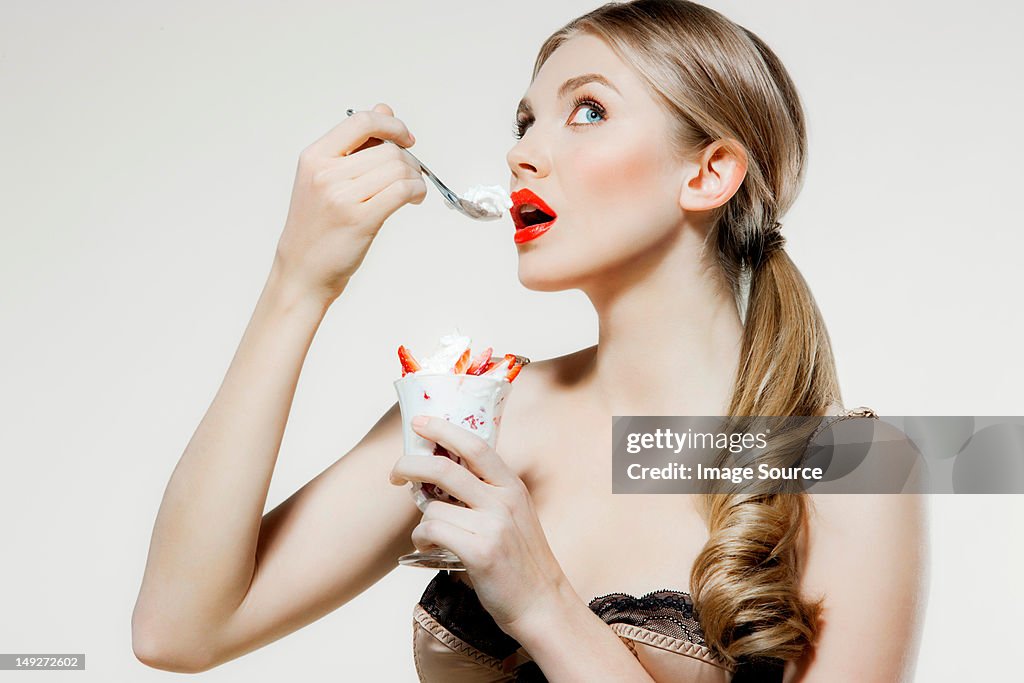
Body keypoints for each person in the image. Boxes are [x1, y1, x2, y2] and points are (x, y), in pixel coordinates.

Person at [132, 1, 927, 680]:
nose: (521, 152)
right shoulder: (480, 412)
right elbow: (178, 628)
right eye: (525, 120)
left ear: (709, 172)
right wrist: (295, 284)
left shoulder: (859, 469)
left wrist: (543, 601)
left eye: (588, 110)